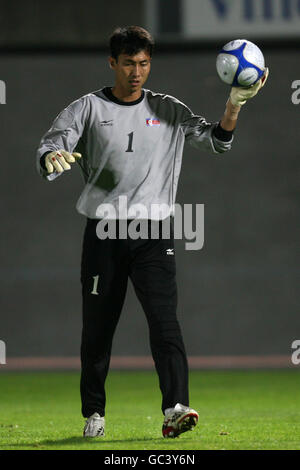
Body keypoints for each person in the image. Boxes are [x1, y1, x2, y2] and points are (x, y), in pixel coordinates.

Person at [36, 26, 268, 438]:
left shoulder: (168, 109)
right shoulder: (86, 108)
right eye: (128, 63)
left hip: (153, 233)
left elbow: (217, 142)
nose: (137, 71)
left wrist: (234, 103)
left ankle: (175, 408)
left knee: (165, 324)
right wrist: (51, 155)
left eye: (143, 63)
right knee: (98, 330)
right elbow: (54, 142)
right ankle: (94, 413)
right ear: (113, 63)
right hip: (103, 233)